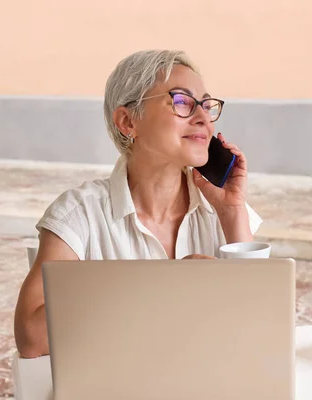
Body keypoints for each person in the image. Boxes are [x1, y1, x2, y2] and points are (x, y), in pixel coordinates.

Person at [14, 49, 262, 358]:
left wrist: (232, 212)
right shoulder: (80, 215)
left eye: (206, 105)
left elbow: (261, 325)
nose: (202, 119)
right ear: (128, 121)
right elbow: (31, 338)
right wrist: (161, 286)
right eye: (183, 102)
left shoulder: (221, 210)